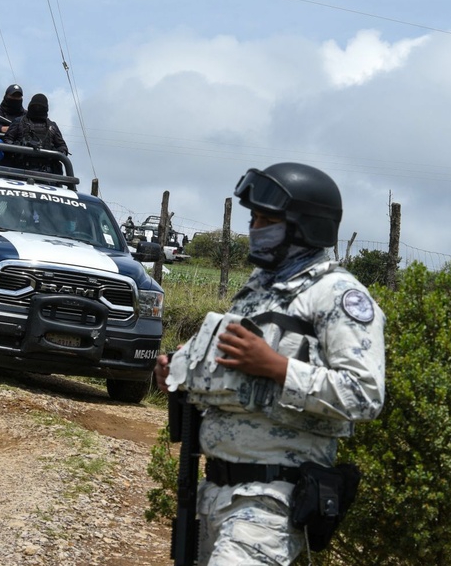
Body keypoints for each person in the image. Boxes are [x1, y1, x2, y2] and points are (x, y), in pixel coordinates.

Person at [155, 162, 386, 564]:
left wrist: (278, 367)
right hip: (212, 491)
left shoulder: (337, 295)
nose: (255, 228)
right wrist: (177, 375)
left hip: (270, 501)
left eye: (267, 219)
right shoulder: (258, 291)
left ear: (304, 226)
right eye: (254, 218)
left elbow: (365, 395)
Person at [3, 93, 68, 171]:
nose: (38, 108)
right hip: (20, 168)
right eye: (35, 106)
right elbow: (7, 141)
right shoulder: (19, 122)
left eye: (40, 107)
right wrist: (22, 146)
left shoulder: (51, 126)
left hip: (46, 172)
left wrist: (51, 152)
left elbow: (63, 147)